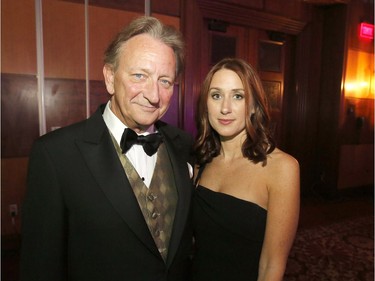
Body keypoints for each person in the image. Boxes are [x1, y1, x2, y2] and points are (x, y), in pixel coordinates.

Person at [20, 16, 194, 281]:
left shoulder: (184, 145)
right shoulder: (56, 155)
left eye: (165, 81)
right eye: (139, 75)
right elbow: (40, 266)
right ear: (110, 78)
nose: (154, 95)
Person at [192, 57, 300, 281]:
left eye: (238, 96)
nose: (225, 108)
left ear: (253, 106)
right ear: (206, 104)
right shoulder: (200, 160)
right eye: (216, 95)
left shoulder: (282, 168)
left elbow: (272, 266)